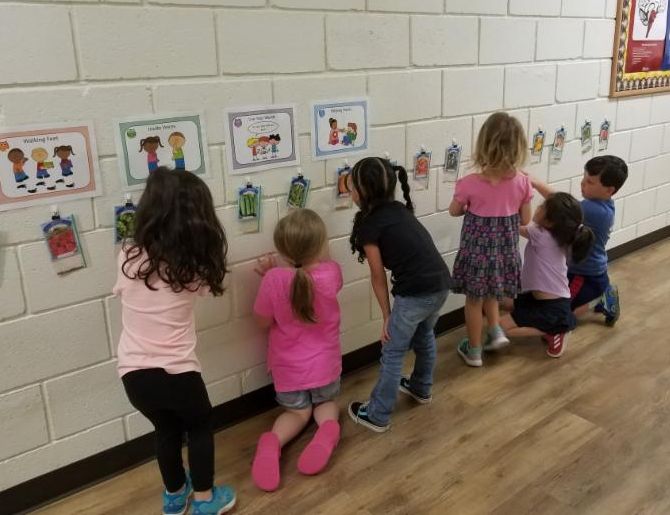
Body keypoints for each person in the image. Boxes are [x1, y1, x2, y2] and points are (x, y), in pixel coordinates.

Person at [113, 167, 236, 515]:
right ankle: (205, 499)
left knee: (165, 431)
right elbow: (202, 287)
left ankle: (174, 496)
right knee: (199, 427)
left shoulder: (128, 256)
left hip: (133, 374)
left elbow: (125, 291)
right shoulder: (192, 266)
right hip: (179, 373)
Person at [346, 157, 450, 433]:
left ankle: (377, 414)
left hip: (416, 293)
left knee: (392, 352)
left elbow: (377, 275)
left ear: (363, 191)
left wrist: (386, 317)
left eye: (352, 186)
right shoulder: (400, 210)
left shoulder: (370, 226)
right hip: (440, 285)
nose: (349, 191)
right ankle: (421, 388)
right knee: (424, 335)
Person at [252, 209, 343, 492]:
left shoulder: (273, 279)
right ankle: (327, 428)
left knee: (298, 413)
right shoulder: (332, 272)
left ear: (282, 251)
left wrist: (271, 275)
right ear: (322, 245)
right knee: (326, 404)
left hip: (288, 371)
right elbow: (316, 275)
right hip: (325, 366)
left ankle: (273, 442)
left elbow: (262, 322)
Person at [448, 112, 533, 367]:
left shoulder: (469, 183)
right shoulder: (523, 182)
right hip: (504, 252)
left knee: (474, 300)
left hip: (476, 254)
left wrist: (469, 207)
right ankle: (495, 331)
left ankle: (474, 351)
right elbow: (526, 219)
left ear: (483, 145)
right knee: (493, 290)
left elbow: (454, 211)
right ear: (518, 147)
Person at [531, 155, 628, 326]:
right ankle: (599, 295)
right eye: (584, 178)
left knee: (560, 312)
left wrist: (536, 183)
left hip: (586, 276)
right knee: (549, 302)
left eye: (590, 182)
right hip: (578, 270)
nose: (582, 183)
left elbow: (561, 205)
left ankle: (601, 297)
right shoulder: (600, 204)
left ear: (609, 190)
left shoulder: (594, 210)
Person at [496, 192, 594, 357]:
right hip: (539, 299)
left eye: (542, 206)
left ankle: (554, 330)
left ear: (550, 222)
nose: (538, 207)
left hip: (552, 307)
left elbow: (511, 224)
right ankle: (551, 326)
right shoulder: (563, 237)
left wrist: (508, 197)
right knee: (500, 301)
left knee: (498, 328)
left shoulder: (540, 234)